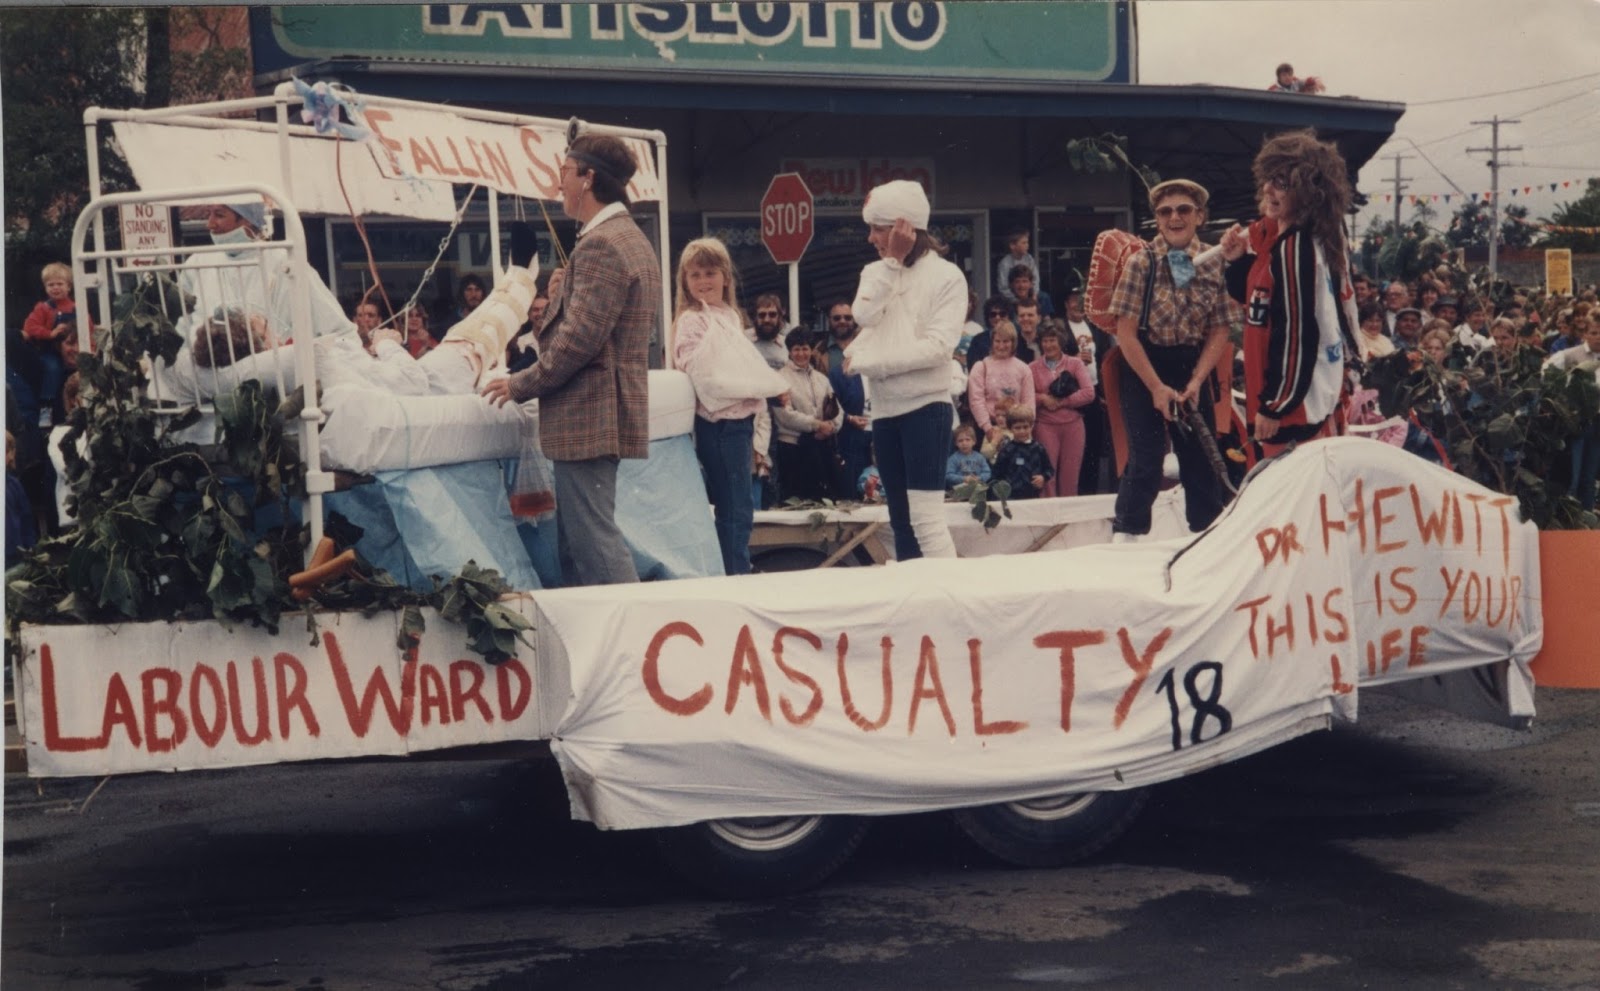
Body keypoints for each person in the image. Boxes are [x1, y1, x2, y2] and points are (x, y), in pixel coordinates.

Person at [480, 134, 661, 586]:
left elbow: (578, 343)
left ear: (588, 177)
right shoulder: (627, 239)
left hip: (589, 416)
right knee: (578, 546)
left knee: (593, 545)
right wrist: (562, 295)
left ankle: (633, 625)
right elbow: (591, 332)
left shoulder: (602, 245)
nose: (558, 183)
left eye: (564, 172)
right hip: (599, 414)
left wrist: (520, 384)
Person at [843, 179, 965, 560]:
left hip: (926, 407)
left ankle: (951, 593)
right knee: (901, 522)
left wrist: (869, 362)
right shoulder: (877, 271)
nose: (870, 238)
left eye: (878, 229)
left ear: (904, 228)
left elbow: (937, 348)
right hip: (885, 411)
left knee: (926, 521)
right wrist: (892, 262)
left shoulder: (947, 277)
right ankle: (915, 595)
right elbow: (863, 315)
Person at [1109, 178, 1235, 541]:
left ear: (1200, 216)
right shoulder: (1141, 263)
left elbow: (1220, 328)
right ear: (1157, 219)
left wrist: (1197, 381)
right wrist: (1155, 387)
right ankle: (1125, 539)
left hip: (1192, 365)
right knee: (1146, 459)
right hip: (1144, 365)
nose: (1174, 218)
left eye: (1183, 210)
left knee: (1201, 459)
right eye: (1165, 212)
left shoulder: (1214, 260)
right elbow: (1126, 334)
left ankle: (1204, 541)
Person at [1221, 130, 1359, 459]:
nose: (1268, 189)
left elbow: (1296, 334)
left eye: (1281, 183)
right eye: (1269, 179)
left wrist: (1276, 405)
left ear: (1307, 191)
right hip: (1288, 402)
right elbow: (1257, 302)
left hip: (1294, 409)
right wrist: (1238, 261)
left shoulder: (1296, 248)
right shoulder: (1281, 242)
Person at [669, 237, 787, 575]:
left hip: (740, 423)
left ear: (725, 277)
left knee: (740, 504)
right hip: (718, 424)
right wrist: (756, 387)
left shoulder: (730, 317)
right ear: (684, 282)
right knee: (734, 506)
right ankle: (734, 574)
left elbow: (738, 368)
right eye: (695, 275)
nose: (703, 281)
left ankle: (735, 567)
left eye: (710, 273)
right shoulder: (692, 320)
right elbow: (703, 375)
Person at [773, 328, 842, 502]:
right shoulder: (780, 378)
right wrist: (816, 425)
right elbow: (785, 415)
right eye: (796, 349)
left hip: (821, 446)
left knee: (825, 499)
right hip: (792, 447)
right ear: (789, 351)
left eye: (805, 349)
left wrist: (831, 427)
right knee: (796, 500)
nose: (801, 354)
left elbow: (837, 409)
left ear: (811, 350)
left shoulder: (822, 379)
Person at [1030, 324, 1095, 498]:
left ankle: (1068, 513)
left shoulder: (1075, 363)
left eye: (1052, 340)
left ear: (1061, 342)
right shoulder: (1032, 368)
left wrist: (1062, 402)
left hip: (1073, 426)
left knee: (1070, 477)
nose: (1048, 345)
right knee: (1047, 476)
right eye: (1045, 341)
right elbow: (1027, 395)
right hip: (1045, 426)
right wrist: (1043, 399)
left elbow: (1089, 393)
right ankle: (1048, 512)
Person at [1544, 316, 1600, 511]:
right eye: (1594, 333)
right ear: (1585, 334)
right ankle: (1568, 514)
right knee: (1572, 473)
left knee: (1590, 475)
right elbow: (1547, 374)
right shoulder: (1569, 355)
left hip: (1598, 424)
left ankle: (1586, 515)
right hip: (1576, 422)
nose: (1598, 337)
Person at [823, 300, 872, 501]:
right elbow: (827, 405)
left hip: (879, 433)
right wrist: (849, 418)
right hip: (849, 437)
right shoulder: (824, 357)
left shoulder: (881, 366)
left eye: (848, 317)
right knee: (851, 491)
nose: (842, 321)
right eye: (837, 317)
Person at [967, 321, 1034, 443]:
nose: (1001, 346)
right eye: (997, 341)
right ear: (992, 342)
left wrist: (1025, 430)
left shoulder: (1024, 369)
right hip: (988, 429)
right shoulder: (981, 367)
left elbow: (1029, 404)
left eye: (1006, 341)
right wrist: (988, 428)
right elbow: (976, 400)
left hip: (1016, 429)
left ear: (1013, 343)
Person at [990, 405, 1052, 500]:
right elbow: (996, 475)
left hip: (1033, 495)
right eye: (1017, 428)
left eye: (1025, 427)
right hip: (1011, 497)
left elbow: (1049, 469)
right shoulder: (1006, 450)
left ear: (1031, 426)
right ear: (1010, 428)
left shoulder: (1038, 448)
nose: (1022, 431)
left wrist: (1043, 477)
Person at [945, 423, 990, 490]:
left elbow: (987, 472)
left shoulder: (980, 457)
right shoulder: (953, 459)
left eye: (967, 439)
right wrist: (963, 479)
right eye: (960, 441)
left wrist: (979, 478)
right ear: (956, 443)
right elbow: (948, 475)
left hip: (977, 488)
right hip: (959, 490)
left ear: (974, 441)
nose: (964, 443)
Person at [749, 293, 788, 370]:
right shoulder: (743, 339)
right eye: (762, 315)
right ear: (755, 317)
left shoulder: (787, 345)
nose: (766, 320)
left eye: (772, 314)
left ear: (779, 316)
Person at [996, 229, 1037, 302]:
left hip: (1029, 295)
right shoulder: (1005, 263)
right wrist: (1016, 301)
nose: (1027, 245)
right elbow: (1003, 287)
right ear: (1012, 246)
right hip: (1010, 298)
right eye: (1024, 243)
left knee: (1044, 297)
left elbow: (1035, 279)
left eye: (1027, 242)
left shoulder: (1029, 259)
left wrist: (1034, 294)